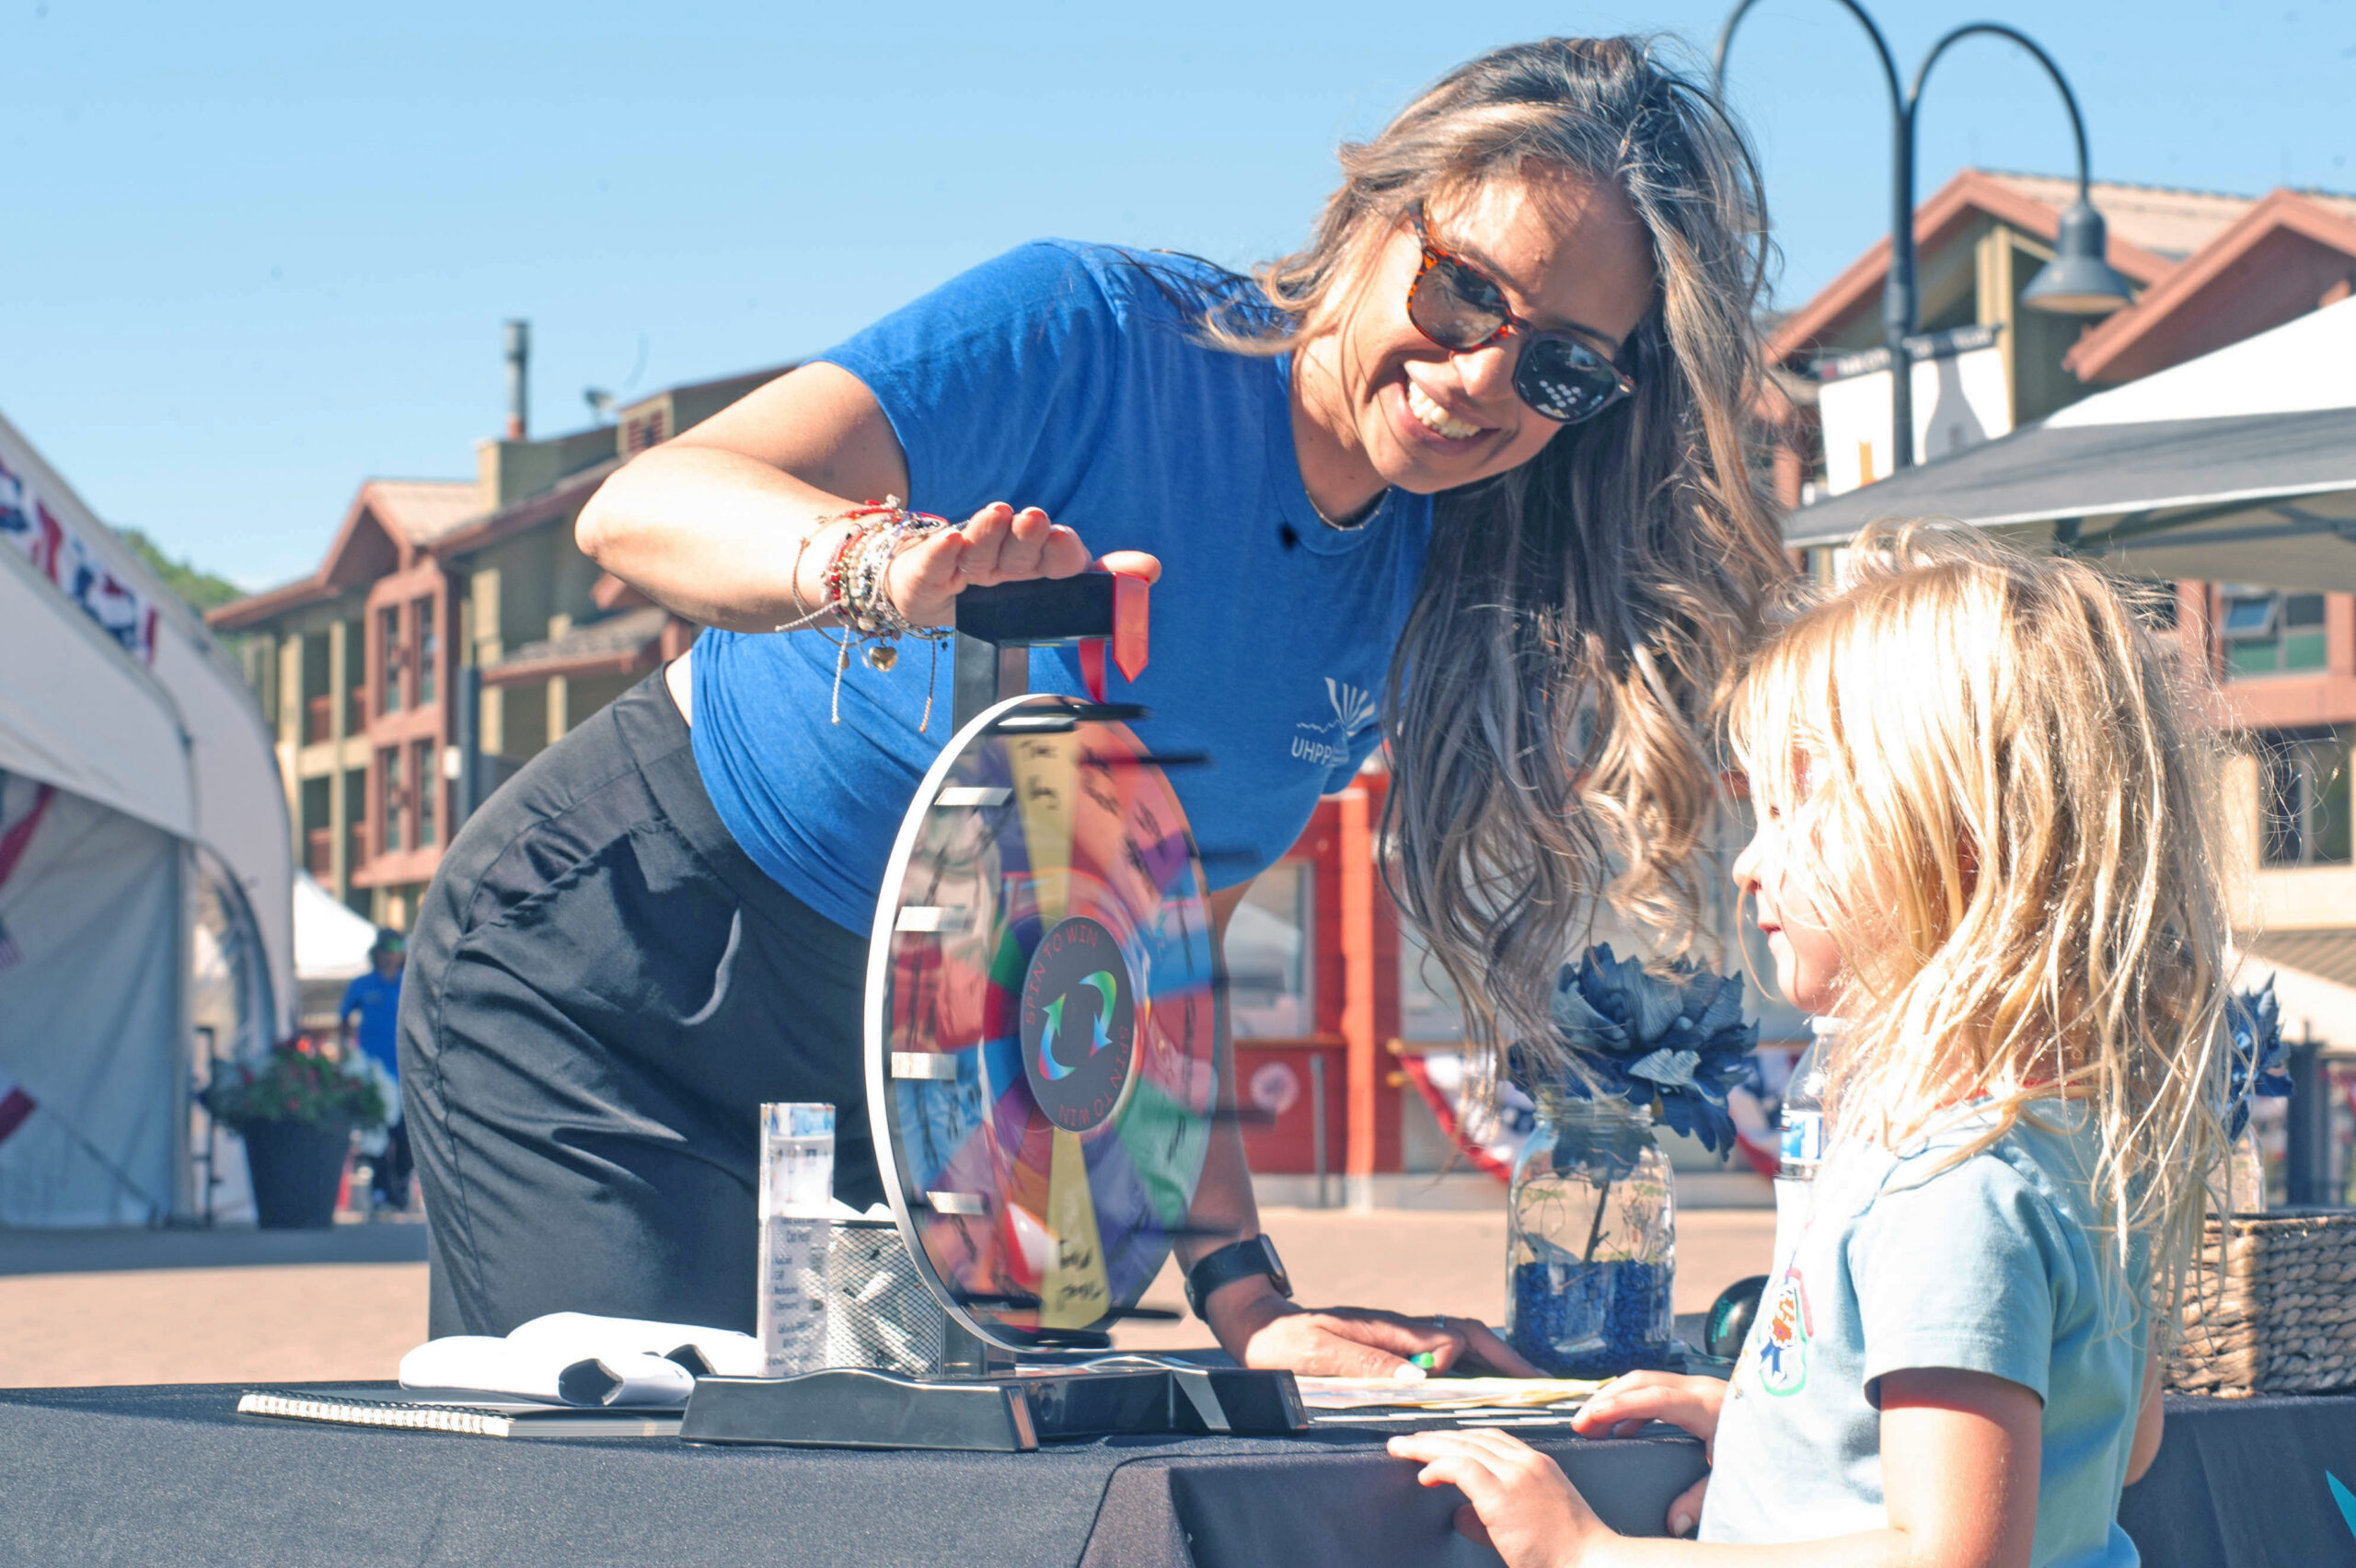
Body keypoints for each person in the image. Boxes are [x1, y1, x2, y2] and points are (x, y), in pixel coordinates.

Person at [399, 36, 1789, 1370]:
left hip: (936, 1089)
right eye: (1464, 293)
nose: (1480, 375)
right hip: (625, 973)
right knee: (643, 1482)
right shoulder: (1098, 331)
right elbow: (641, 511)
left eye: (1556, 367)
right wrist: (884, 566)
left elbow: (1166, 947)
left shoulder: (1434, 571)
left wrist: (1250, 1301)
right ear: (1370, 213)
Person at [1390, 523, 2232, 1566]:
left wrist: (1592, 1554)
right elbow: (2117, 1446)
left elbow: (1951, 1555)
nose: (1749, 867)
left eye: (1791, 816)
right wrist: (1776, 1437)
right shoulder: (2080, 1148)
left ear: (1956, 844)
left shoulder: (1948, 1191)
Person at [341, 928, 411, 1212]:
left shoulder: (408, 984)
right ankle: (381, 1191)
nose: (388, 955)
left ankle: (401, 1185)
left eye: (394, 949)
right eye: (384, 950)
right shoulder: (362, 985)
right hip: (375, 1073)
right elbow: (344, 1019)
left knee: (405, 1135)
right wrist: (349, 1056)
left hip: (406, 1071)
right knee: (376, 1135)